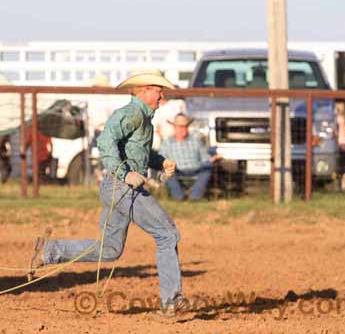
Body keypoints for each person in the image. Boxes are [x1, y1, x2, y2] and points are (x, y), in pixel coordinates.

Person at [27, 69, 190, 318]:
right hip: (123, 188)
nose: (162, 96)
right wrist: (125, 174)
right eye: (159, 90)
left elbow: (135, 152)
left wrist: (160, 161)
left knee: (110, 249)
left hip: (117, 187)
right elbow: (105, 142)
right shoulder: (132, 113)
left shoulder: (143, 117)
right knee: (167, 234)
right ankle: (171, 300)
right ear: (145, 90)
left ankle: (48, 251)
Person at [159, 113, 222, 201]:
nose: (182, 130)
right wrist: (168, 167)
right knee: (168, 173)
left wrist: (214, 158)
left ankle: (194, 198)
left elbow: (205, 158)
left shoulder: (196, 141)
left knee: (207, 168)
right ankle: (179, 198)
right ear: (174, 128)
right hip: (176, 170)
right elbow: (161, 160)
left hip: (196, 169)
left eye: (184, 127)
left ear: (187, 128)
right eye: (179, 127)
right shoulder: (166, 143)